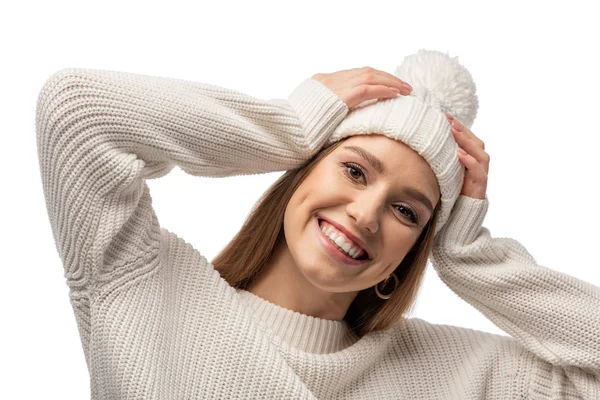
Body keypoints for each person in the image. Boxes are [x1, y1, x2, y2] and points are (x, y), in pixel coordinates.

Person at [35, 49, 600, 399]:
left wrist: (471, 256)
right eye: (355, 170)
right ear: (302, 169)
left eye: (407, 211)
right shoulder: (144, 289)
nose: (366, 213)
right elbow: (76, 114)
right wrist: (289, 125)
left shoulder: (451, 376)